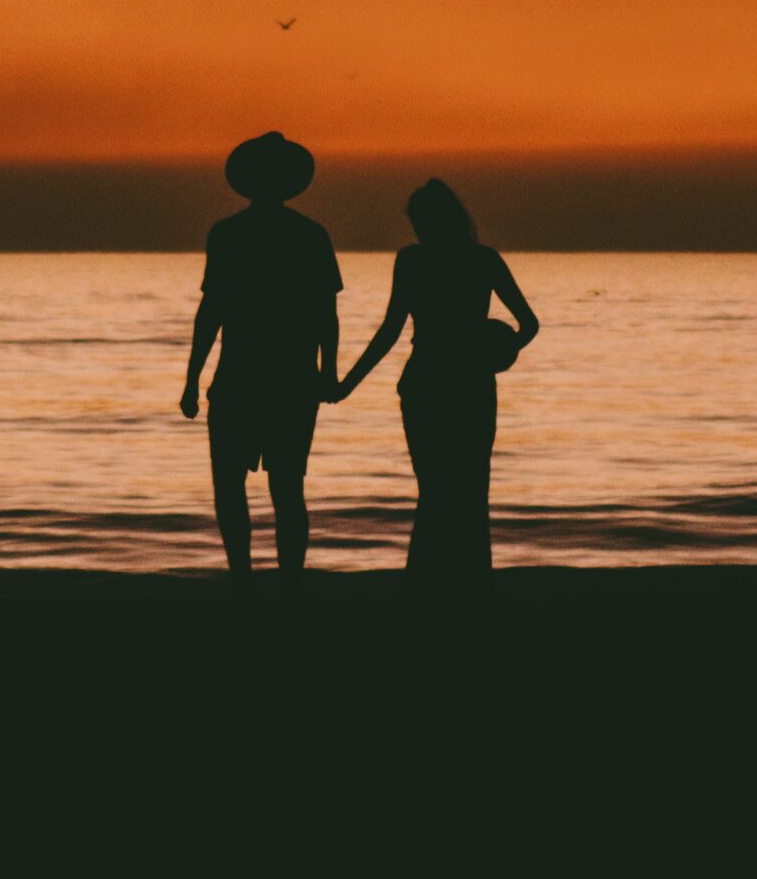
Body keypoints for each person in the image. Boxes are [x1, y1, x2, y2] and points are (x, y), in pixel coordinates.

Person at [333, 179, 538, 579]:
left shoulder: (412, 261)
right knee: (468, 487)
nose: (417, 230)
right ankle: (469, 577)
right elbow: (528, 325)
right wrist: (500, 351)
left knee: (436, 489)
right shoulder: (484, 260)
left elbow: (391, 331)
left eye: (420, 221)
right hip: (469, 385)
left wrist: (347, 384)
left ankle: (428, 577)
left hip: (428, 382)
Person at [180, 132, 342, 583]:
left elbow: (211, 313)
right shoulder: (309, 235)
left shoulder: (230, 234)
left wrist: (192, 380)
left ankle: (244, 580)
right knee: (286, 488)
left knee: (235, 488)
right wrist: (327, 373)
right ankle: (283, 580)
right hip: (286, 381)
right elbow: (324, 316)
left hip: (244, 380)